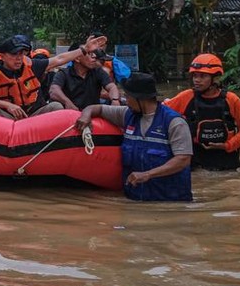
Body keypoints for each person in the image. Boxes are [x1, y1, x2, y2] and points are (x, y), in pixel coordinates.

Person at [75, 72, 193, 201]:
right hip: (135, 200)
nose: (126, 100)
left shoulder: (174, 122)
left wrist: (148, 175)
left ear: (140, 98)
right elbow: (95, 108)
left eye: (128, 96)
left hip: (170, 202)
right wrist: (85, 115)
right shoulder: (127, 114)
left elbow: (183, 160)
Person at [0, 34, 107, 119]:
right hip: (10, 115)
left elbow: (59, 59)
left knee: (56, 107)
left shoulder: (32, 65)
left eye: (21, 54)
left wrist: (84, 49)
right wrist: (8, 105)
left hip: (35, 114)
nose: (18, 58)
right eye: (14, 55)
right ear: (2, 56)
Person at [162, 53, 240, 170]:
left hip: (225, 159)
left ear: (215, 79)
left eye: (202, 76)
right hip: (195, 160)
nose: (197, 80)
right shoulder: (186, 96)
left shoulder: (231, 99)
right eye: (195, 76)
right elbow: (161, 114)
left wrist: (227, 145)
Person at [45, 45, 120, 112]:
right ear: (77, 58)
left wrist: (115, 100)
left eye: (93, 53)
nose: (94, 56)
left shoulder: (98, 71)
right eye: (89, 53)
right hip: (69, 115)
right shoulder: (63, 73)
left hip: (92, 114)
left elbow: (111, 86)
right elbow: (54, 91)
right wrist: (68, 103)